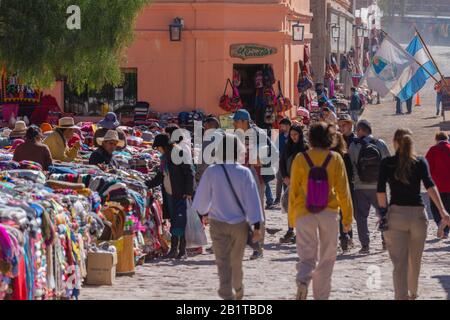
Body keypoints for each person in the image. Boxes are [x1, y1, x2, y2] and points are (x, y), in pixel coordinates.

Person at [377, 128, 450, 300]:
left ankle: (401, 296)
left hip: (396, 216)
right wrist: (442, 211)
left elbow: (380, 191)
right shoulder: (420, 161)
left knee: (399, 264)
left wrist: (383, 213)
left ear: (395, 142)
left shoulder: (387, 162)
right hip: (418, 216)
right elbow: (430, 185)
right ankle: (413, 293)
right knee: (415, 260)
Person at [192, 133, 264, 300]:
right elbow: (253, 200)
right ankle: (238, 287)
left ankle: (226, 294)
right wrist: (257, 226)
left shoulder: (211, 171)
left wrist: (203, 212)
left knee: (222, 261)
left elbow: (201, 201)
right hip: (239, 224)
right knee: (236, 260)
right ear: (238, 150)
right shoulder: (244, 173)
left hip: (217, 223)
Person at [289, 122, 353, 300]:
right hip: (329, 212)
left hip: (304, 211)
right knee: (326, 258)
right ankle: (321, 297)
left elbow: (293, 190)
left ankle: (303, 280)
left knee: (306, 256)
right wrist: (347, 219)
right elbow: (343, 191)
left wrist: (292, 219)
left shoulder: (301, 158)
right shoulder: (335, 158)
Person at [232, 109, 279, 260]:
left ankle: (258, 247)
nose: (234, 123)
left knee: (257, 212)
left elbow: (273, 152)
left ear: (244, 121)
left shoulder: (259, 133)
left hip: (256, 177)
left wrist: (262, 160)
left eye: (236, 121)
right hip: (239, 176)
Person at [145, 133, 194, 260]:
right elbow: (160, 176)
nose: (158, 150)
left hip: (181, 193)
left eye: (158, 147)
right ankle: (174, 249)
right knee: (174, 221)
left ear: (164, 146)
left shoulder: (179, 153)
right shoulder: (164, 158)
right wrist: (146, 184)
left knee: (180, 222)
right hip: (170, 194)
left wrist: (189, 191)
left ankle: (182, 250)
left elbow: (189, 173)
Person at [348, 120, 390, 254]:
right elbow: (388, 163)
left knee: (361, 217)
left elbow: (351, 166)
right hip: (379, 187)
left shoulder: (354, 146)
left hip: (360, 187)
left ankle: (365, 245)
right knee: (384, 213)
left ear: (360, 131)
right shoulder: (380, 143)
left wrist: (356, 181)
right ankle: (386, 241)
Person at [279, 124, 308, 244]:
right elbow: (282, 162)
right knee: (290, 206)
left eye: (295, 134)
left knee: (300, 207)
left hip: (301, 183)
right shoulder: (287, 146)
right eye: (291, 135)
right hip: (288, 181)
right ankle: (290, 229)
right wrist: (285, 176)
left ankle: (300, 232)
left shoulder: (305, 148)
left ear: (300, 134)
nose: (293, 137)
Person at [330, 132, 354, 252]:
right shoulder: (345, 155)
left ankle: (342, 238)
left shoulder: (328, 156)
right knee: (344, 213)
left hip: (332, 189)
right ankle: (346, 237)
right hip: (344, 188)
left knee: (336, 215)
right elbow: (350, 174)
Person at [425, 131, 450, 238]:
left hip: (437, 185)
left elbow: (426, 167)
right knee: (448, 208)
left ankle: (441, 224)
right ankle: (446, 230)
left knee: (435, 207)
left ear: (436, 139)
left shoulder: (433, 150)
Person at [273, 118, 292, 206]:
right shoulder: (280, 136)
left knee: (288, 180)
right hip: (280, 160)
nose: (281, 128)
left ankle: (287, 198)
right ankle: (277, 198)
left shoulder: (293, 135)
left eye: (282, 126)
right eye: (280, 126)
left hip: (290, 162)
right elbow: (275, 147)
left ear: (288, 126)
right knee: (279, 179)